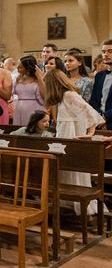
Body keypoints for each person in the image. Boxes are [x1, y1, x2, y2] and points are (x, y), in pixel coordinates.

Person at [45, 69, 105, 215]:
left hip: (72, 136)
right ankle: (67, 205)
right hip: (64, 134)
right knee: (65, 170)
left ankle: (81, 207)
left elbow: (90, 112)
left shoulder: (69, 95)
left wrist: (90, 133)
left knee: (74, 170)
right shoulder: (61, 98)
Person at [12, 55, 45, 125]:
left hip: (35, 108)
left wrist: (40, 78)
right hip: (19, 108)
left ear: (28, 68)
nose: (17, 68)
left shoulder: (39, 79)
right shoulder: (18, 79)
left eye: (20, 67)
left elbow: (44, 95)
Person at [89, 39, 112, 129]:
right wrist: (99, 117)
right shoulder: (99, 75)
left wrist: (105, 117)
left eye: (110, 51)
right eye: (103, 52)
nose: (106, 54)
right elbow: (93, 100)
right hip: (98, 122)